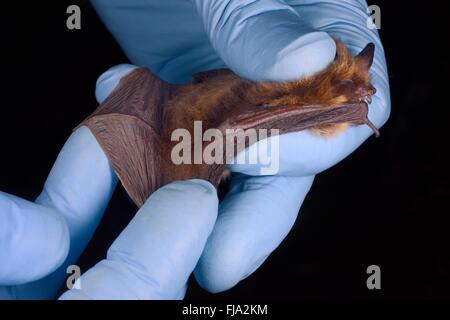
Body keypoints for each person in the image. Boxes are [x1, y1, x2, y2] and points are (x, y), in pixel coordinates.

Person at [0, 0, 390, 299]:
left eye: (362, 89)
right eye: (356, 90)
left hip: (219, 104)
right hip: (202, 122)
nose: (364, 95)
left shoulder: (319, 100)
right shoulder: (310, 94)